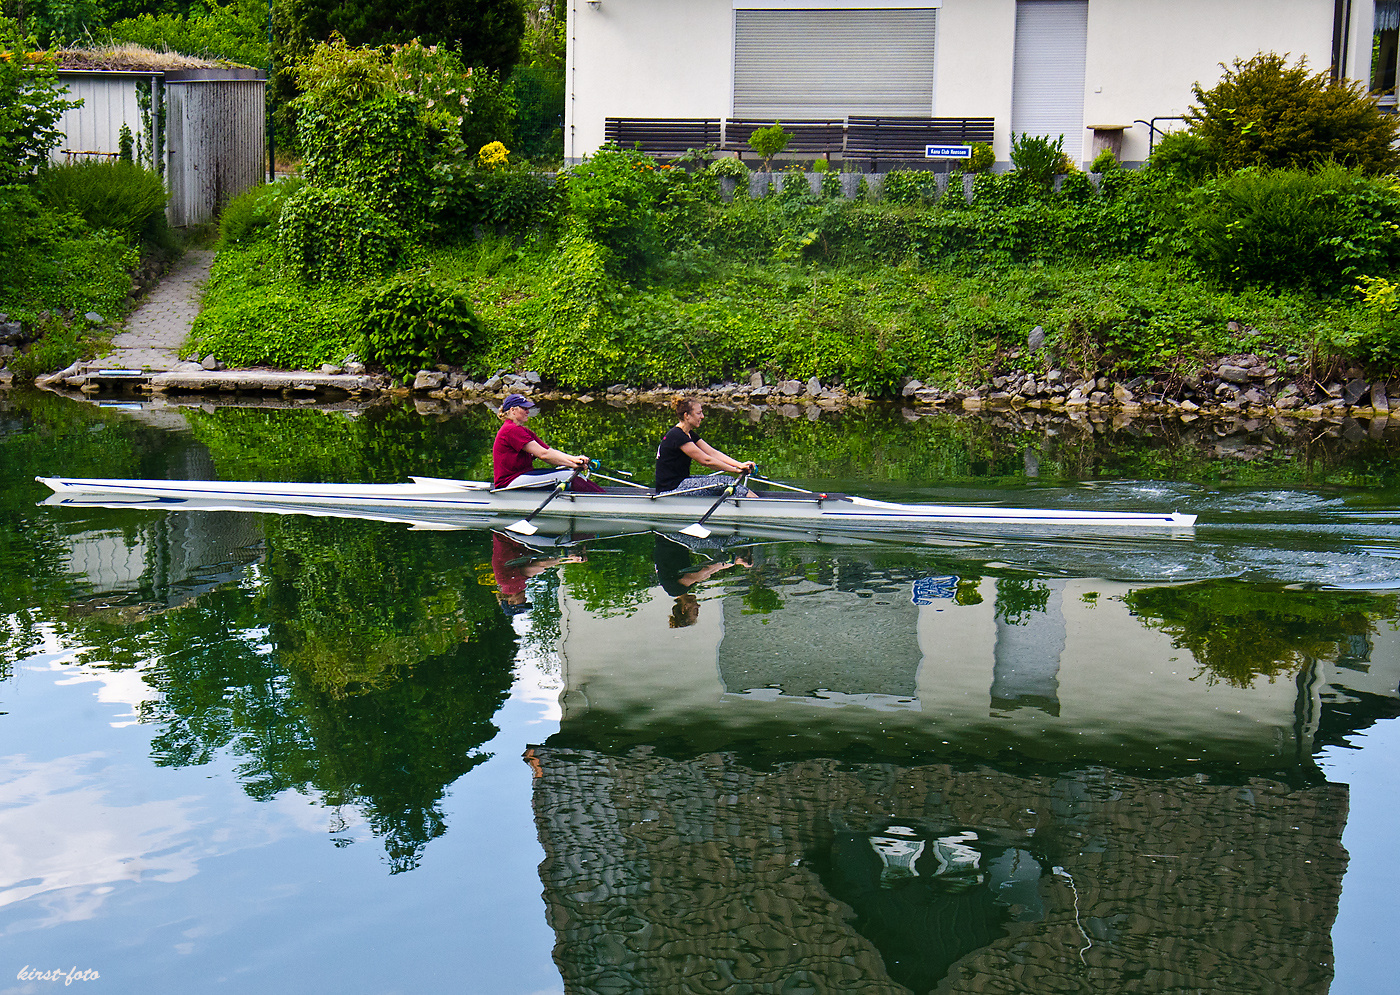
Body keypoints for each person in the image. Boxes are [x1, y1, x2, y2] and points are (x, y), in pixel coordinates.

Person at [493, 394, 605, 492]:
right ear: (513, 410)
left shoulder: (522, 430)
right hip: (509, 482)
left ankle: (599, 497)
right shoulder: (511, 430)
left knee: (571, 472)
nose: (528, 411)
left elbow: (549, 451)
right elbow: (544, 455)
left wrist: (574, 459)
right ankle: (603, 501)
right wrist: (572, 463)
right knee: (569, 475)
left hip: (523, 475)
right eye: (524, 408)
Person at [654, 397, 756, 495]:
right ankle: (758, 507)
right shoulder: (677, 436)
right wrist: (735, 470)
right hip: (670, 489)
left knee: (728, 483)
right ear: (686, 416)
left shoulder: (689, 433)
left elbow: (712, 453)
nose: (702, 416)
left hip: (681, 482)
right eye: (698, 413)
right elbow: (706, 461)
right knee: (726, 482)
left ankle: (754, 503)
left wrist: (739, 465)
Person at [654, 534, 749, 628]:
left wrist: (735, 560)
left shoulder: (675, 589)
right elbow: (710, 571)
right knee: (716, 543)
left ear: (684, 608)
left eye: (695, 611)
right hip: (677, 540)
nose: (698, 606)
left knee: (719, 543)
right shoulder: (682, 588)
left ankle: (745, 533)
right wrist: (736, 562)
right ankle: (743, 536)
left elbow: (704, 570)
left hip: (671, 537)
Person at [491, 532, 584, 615]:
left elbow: (540, 565)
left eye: (522, 603)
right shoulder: (506, 584)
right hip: (511, 537)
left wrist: (569, 558)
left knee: (565, 540)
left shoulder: (511, 585)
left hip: (510, 536)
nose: (526, 600)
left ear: (511, 602)